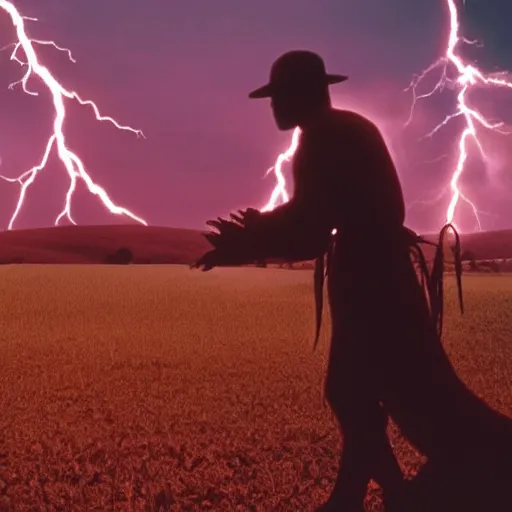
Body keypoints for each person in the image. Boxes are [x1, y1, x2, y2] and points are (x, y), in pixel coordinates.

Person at [194, 50, 511, 511]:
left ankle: (374, 496)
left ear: (305, 93)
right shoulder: (344, 131)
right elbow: (316, 213)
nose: (273, 106)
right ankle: (371, 495)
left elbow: (311, 228)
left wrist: (247, 242)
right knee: (362, 390)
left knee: (358, 389)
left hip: (373, 281)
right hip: (375, 274)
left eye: (279, 96)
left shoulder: (325, 140)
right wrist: (261, 229)